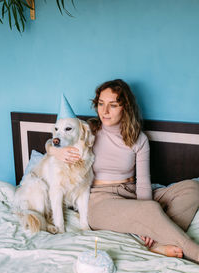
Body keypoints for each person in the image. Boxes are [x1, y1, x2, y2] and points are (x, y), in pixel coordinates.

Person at [47, 79, 199, 263]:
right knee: (150, 210)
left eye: (113, 105)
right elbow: (54, 140)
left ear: (125, 107)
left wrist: (146, 216)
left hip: (131, 191)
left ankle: (157, 241)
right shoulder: (89, 130)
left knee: (192, 188)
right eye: (101, 104)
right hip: (98, 200)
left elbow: (143, 182)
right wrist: (55, 150)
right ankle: (194, 251)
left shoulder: (139, 139)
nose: (105, 111)